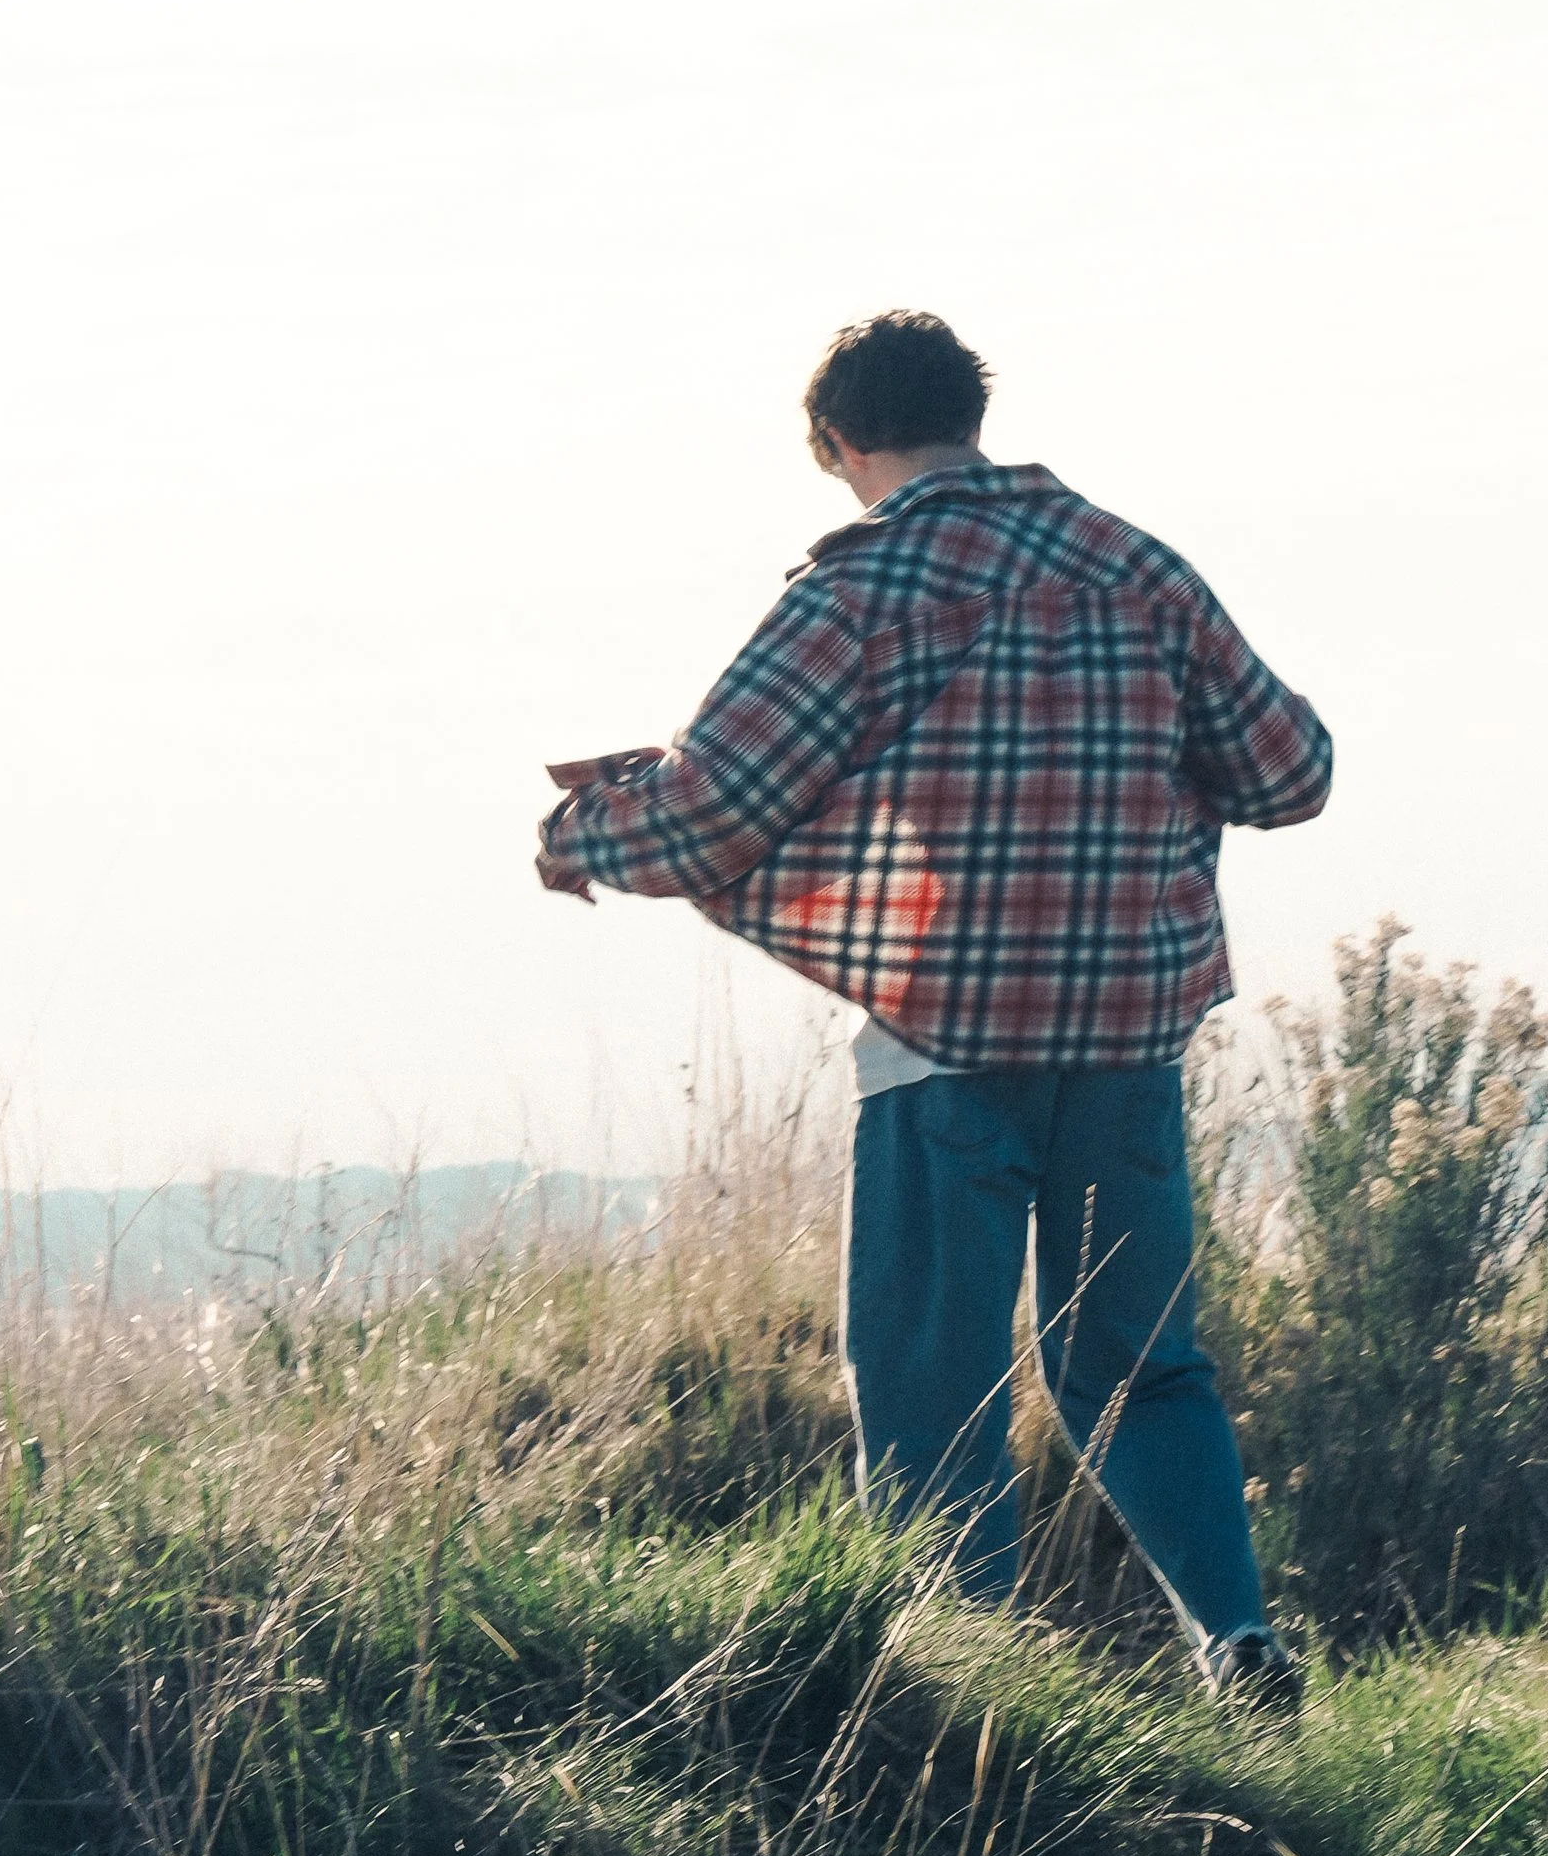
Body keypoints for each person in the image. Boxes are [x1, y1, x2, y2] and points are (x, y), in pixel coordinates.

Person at [536, 310, 1332, 1702]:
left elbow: (714, 808)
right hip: (1127, 1044)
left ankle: (973, 1707)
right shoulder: (1137, 566)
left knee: (928, 1395)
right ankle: (1236, 1638)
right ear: (973, 412)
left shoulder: (864, 588)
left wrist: (590, 829)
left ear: (838, 445)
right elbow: (1290, 772)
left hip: (943, 1050)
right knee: (1142, 1369)